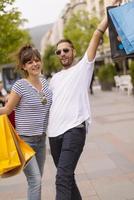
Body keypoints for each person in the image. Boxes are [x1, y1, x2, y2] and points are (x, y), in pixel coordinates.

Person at [47, 0, 122, 199]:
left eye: (66, 50)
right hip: (54, 134)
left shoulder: (83, 67)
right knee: (67, 178)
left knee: (61, 178)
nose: (62, 53)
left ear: (73, 52)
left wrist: (109, 12)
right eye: (59, 52)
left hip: (74, 129)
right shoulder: (53, 79)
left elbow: (96, 35)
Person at [0, 45, 52, 200]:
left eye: (36, 60)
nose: (34, 64)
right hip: (24, 141)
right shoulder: (20, 86)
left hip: (42, 139)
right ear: (23, 66)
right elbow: (7, 110)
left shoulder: (46, 83)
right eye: (29, 62)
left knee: (37, 179)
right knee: (35, 180)